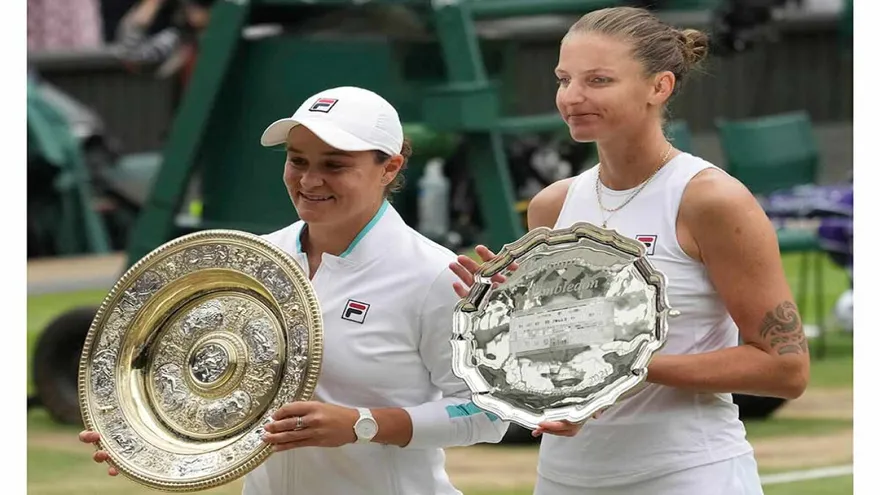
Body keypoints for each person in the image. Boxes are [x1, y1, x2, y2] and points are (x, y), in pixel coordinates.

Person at [449, 7, 810, 495]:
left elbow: (785, 368)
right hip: (563, 476)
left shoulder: (710, 200)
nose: (572, 97)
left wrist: (625, 365)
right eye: (564, 79)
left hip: (688, 474)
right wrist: (500, 324)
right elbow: (562, 357)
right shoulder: (551, 206)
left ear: (658, 87)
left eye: (598, 80)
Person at [79, 85, 508, 494]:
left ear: (390, 168)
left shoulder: (436, 274)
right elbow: (213, 375)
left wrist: (363, 424)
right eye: (297, 160)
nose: (309, 180)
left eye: (334, 165)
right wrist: (142, 438)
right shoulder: (255, 261)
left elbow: (489, 413)